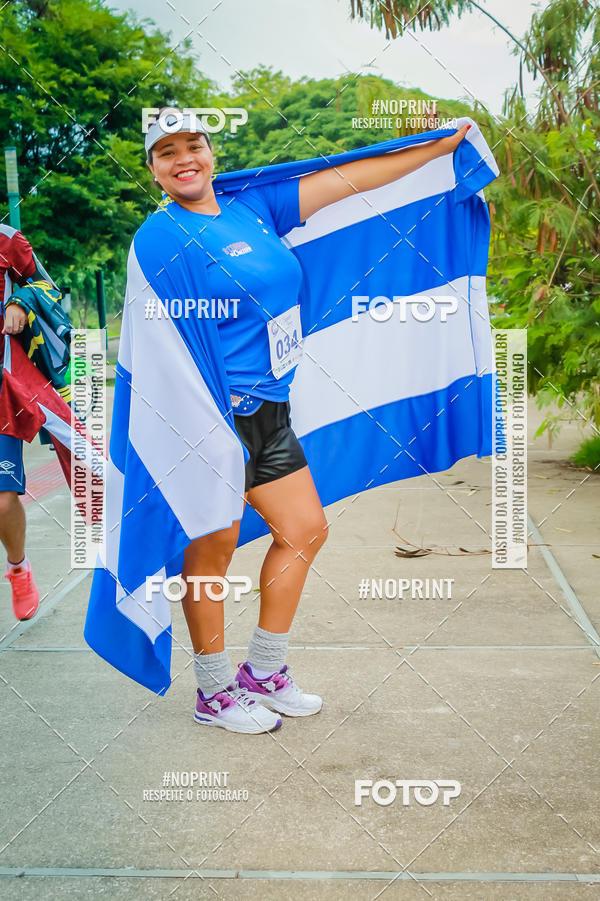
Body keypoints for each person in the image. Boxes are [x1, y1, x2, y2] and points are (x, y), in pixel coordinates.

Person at [140, 109, 470, 734]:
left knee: (305, 530)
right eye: (167, 152)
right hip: (211, 419)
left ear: (211, 151)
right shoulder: (159, 238)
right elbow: (159, 343)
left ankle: (263, 671)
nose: (184, 159)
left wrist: (437, 150)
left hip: (267, 412)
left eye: (194, 145)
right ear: (153, 169)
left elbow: (351, 180)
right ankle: (212, 691)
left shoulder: (251, 205)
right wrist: (197, 421)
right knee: (208, 553)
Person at [0, 225, 40, 620]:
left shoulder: (8, 240)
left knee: (2, 499)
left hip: (1, 389)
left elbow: (48, 289)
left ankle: (18, 567)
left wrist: (20, 301)